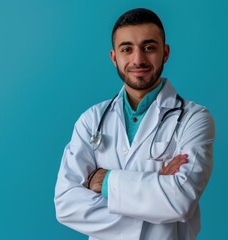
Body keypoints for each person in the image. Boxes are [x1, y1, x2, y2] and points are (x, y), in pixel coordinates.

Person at [54, 8, 215, 240]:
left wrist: (106, 182)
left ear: (165, 53)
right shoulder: (91, 120)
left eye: (149, 47)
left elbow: (180, 200)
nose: (138, 59)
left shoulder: (194, 119)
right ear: (114, 57)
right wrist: (156, 193)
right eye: (127, 49)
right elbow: (66, 204)